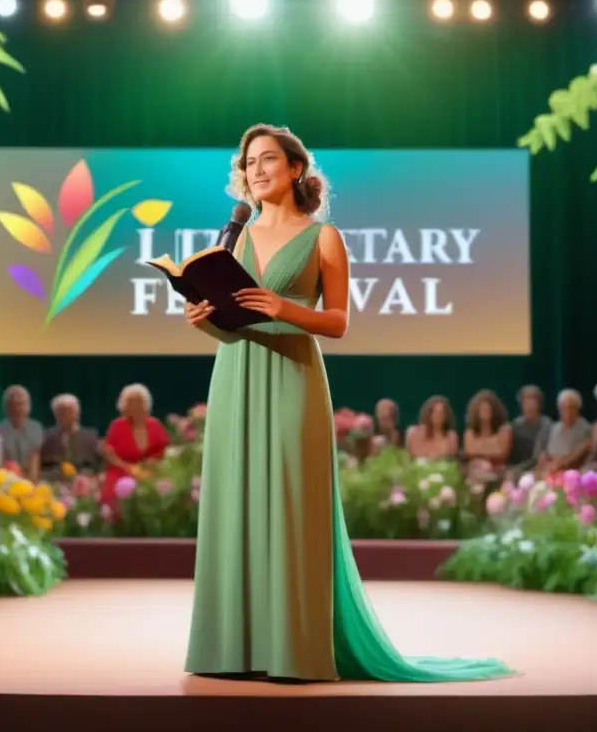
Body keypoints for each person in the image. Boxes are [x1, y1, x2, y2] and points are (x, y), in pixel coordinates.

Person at [182, 124, 513, 683]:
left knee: (290, 504)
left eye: (268, 160)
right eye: (249, 162)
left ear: (295, 170)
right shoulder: (235, 238)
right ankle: (232, 650)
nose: (256, 170)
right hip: (236, 375)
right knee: (236, 502)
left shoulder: (323, 237)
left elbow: (338, 322)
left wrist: (282, 308)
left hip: (292, 375)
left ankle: (294, 651)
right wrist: (204, 322)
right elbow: (233, 330)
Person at [101, 383, 169, 505]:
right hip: (121, 471)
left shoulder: (155, 425)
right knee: (114, 492)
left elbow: (164, 450)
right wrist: (129, 468)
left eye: (140, 402)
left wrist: (153, 463)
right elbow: (109, 454)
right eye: (132, 403)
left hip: (151, 471)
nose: (136, 406)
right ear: (125, 406)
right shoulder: (117, 426)